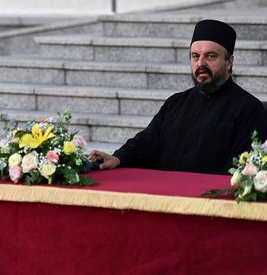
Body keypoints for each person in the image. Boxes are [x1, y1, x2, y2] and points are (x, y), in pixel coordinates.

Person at [88, 19, 267, 174]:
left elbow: (240, 169)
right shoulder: (176, 102)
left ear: (229, 62)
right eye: (195, 56)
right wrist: (118, 158)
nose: (201, 63)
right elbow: (145, 142)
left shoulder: (249, 108)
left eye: (210, 56)